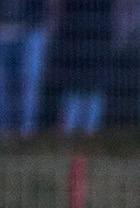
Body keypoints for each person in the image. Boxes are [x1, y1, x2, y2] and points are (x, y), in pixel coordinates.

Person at [0, 0, 58, 141]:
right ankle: (4, 134)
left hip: (31, 29)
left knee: (28, 84)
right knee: (1, 86)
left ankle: (27, 133)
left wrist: (46, 26)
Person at [52, 0, 107, 135]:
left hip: (98, 40)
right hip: (72, 42)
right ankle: (67, 133)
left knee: (94, 87)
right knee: (72, 88)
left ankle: (91, 133)